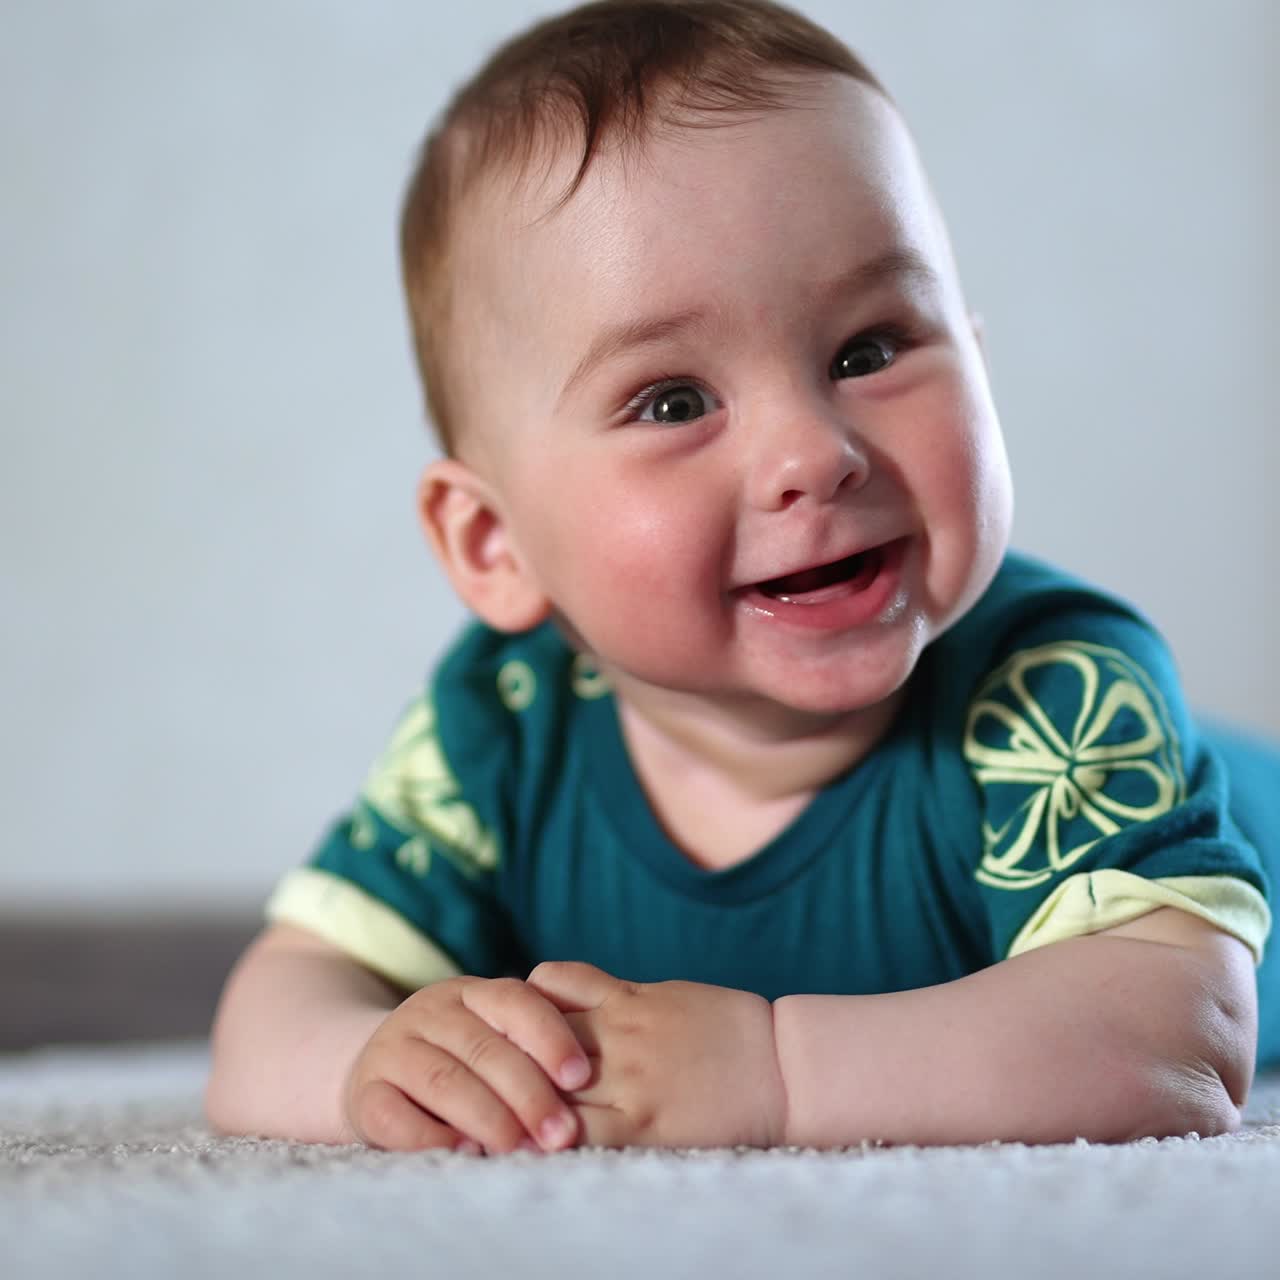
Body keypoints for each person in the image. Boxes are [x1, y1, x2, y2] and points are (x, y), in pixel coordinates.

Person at [205, 0, 1280, 1155]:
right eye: (672, 401)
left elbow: (1175, 1037)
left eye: (867, 349)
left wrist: (777, 1070)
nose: (813, 451)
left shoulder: (1052, 691)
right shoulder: (500, 727)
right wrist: (370, 1063)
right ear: (494, 545)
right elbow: (274, 1008)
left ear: (973, 352)